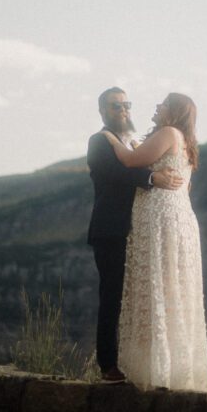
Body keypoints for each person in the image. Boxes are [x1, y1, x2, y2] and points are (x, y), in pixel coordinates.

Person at [102, 92, 207, 392]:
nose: (157, 106)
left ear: (173, 112)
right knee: (173, 290)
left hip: (160, 221)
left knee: (157, 289)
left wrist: (111, 139)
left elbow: (128, 160)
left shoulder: (167, 133)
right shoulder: (185, 141)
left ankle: (157, 371)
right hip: (181, 219)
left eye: (163, 104)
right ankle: (173, 370)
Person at [87, 87, 183, 384]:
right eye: (116, 106)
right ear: (103, 111)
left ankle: (141, 363)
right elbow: (118, 174)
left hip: (142, 233)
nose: (123, 110)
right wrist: (153, 178)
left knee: (140, 298)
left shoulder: (138, 142)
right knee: (112, 297)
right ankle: (107, 365)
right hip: (111, 230)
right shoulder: (99, 141)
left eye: (126, 104)